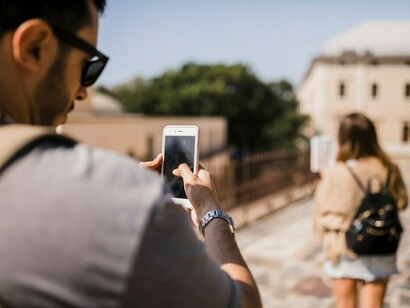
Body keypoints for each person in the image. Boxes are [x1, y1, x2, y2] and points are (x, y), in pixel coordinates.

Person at [0, 1, 262, 307]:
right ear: (34, 47)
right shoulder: (115, 195)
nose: (84, 91)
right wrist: (211, 213)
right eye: (89, 66)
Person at [313, 112, 408, 308]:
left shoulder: (335, 172)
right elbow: (401, 202)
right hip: (380, 244)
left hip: (345, 245)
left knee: (345, 304)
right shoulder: (389, 168)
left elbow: (321, 212)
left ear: (343, 138)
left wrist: (326, 179)